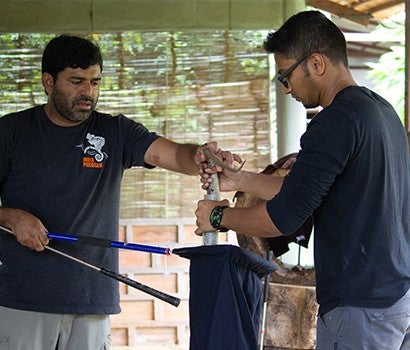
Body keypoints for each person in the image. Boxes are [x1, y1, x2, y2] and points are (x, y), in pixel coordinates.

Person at [195, 10, 410, 350]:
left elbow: (283, 218)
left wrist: (218, 217)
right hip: (395, 299)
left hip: (361, 307)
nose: (286, 89)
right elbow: (303, 191)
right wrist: (241, 180)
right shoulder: (379, 112)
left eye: (285, 76)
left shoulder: (334, 123)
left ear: (316, 63)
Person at [0, 34, 223, 350]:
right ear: (48, 82)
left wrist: (199, 154)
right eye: (76, 81)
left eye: (94, 82)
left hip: (92, 299)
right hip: (21, 298)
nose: (88, 92)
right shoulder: (11, 132)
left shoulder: (115, 131)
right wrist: (11, 217)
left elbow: (172, 155)